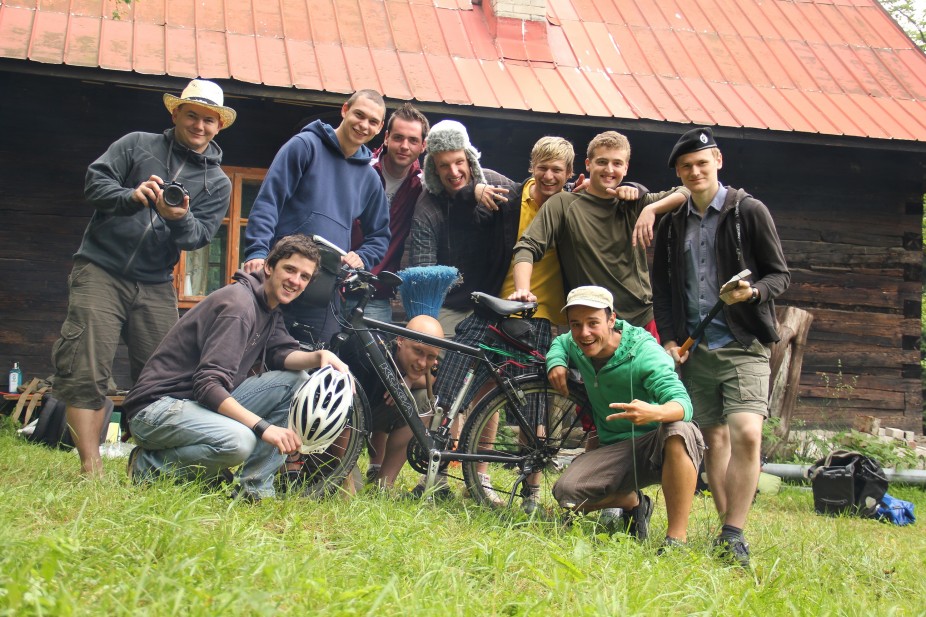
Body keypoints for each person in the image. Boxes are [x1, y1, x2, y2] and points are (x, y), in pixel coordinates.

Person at [50, 79, 236, 476]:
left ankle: (146, 460)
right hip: (100, 268)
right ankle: (91, 465)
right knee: (86, 365)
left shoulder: (218, 182)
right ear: (175, 113)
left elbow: (200, 236)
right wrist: (131, 196)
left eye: (208, 119)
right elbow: (95, 183)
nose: (199, 125)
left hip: (154, 281)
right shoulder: (137, 144)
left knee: (161, 376)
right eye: (192, 115)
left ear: (219, 125)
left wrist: (178, 217)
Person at [652, 127, 790, 567]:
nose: (695, 171)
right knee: (712, 442)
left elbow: (778, 275)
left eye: (702, 163)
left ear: (718, 161)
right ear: (678, 172)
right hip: (695, 348)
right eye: (686, 166)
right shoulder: (672, 224)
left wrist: (751, 294)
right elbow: (663, 290)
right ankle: (729, 534)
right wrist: (671, 338)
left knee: (747, 433)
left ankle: (734, 530)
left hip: (743, 342)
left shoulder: (748, 211)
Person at [123, 235, 350, 501]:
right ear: (269, 267)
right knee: (240, 441)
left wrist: (319, 356)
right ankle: (146, 466)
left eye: (304, 276)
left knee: (297, 381)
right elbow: (208, 385)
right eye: (289, 269)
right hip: (158, 409)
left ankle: (254, 489)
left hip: (194, 404)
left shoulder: (268, 306)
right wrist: (264, 427)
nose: (295, 281)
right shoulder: (239, 307)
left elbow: (280, 353)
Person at [546, 286, 703, 551]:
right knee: (566, 494)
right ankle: (633, 503)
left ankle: (676, 539)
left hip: (656, 443)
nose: (584, 333)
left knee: (678, 429)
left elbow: (683, 404)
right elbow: (561, 343)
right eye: (576, 324)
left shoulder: (644, 353)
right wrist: (557, 362)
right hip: (614, 449)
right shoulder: (576, 342)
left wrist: (653, 413)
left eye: (593, 323)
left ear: (611, 320)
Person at [243, 90, 390, 347]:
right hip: (279, 278)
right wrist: (256, 251)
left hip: (324, 293)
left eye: (373, 121)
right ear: (345, 110)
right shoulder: (304, 146)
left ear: (379, 129)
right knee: (254, 359)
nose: (363, 125)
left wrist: (362, 257)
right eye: (359, 114)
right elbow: (269, 202)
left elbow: (379, 236)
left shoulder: (370, 179)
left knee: (317, 369)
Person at [510, 131, 689, 335]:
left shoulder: (636, 203)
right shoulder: (563, 204)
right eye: (602, 162)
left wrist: (651, 209)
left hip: (642, 318)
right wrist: (522, 291)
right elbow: (527, 246)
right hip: (592, 324)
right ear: (588, 164)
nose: (609, 169)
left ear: (626, 167)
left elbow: (688, 191)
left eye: (617, 163)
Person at [407, 119, 520, 337]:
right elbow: (424, 273)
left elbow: (531, 197)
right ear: (434, 170)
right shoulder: (427, 207)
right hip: (450, 304)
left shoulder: (495, 183)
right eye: (444, 165)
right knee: (429, 345)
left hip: (495, 300)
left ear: (470, 160)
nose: (454, 171)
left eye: (459, 162)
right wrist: (424, 324)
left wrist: (574, 189)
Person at [346, 103, 429, 322]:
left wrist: (477, 188)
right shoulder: (359, 169)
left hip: (374, 293)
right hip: (333, 284)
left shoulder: (422, 187)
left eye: (413, 140)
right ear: (386, 138)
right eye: (398, 137)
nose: (404, 146)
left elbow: (457, 181)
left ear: (423, 146)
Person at [341, 315, 444, 488]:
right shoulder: (369, 352)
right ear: (401, 340)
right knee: (352, 490)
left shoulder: (427, 362)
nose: (422, 363)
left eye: (430, 357)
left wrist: (407, 381)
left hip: (372, 416)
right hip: (340, 426)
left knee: (426, 400)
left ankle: (384, 485)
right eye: (417, 351)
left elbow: (432, 379)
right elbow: (341, 412)